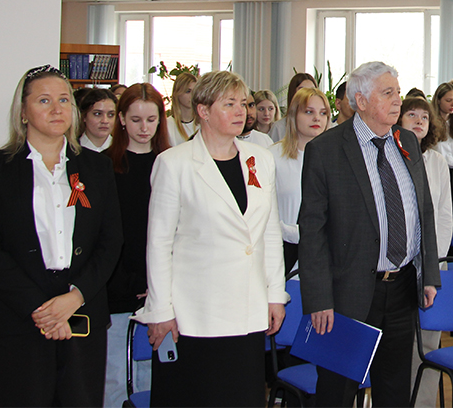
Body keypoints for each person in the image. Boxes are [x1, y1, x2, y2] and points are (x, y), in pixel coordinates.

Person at [133, 70, 288, 407]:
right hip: (194, 314)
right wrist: (160, 310)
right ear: (203, 110)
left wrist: (275, 294)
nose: (241, 112)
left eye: (243, 104)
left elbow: (270, 232)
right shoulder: (173, 163)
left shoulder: (260, 159)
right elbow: (158, 244)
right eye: (229, 104)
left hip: (247, 309)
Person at [299, 61, 441, 408]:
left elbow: (423, 211)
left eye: (398, 92)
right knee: (338, 392)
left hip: (402, 288)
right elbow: (313, 232)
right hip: (348, 293)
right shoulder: (326, 150)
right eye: (387, 93)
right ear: (360, 101)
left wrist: (429, 274)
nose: (398, 100)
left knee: (394, 391)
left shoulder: (407, 141)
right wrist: (319, 299)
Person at [0, 65, 123, 406]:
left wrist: (74, 298)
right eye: (44, 100)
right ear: (23, 112)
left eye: (64, 100)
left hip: (81, 312)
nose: (57, 109)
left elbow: (110, 242)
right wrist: (42, 309)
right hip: (18, 316)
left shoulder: (97, 167)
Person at [101, 83, 171, 407]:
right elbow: (104, 235)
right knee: (115, 378)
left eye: (151, 120)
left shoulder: (171, 164)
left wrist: (155, 282)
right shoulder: (103, 167)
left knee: (153, 378)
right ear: (121, 120)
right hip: (116, 289)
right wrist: (131, 282)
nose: (144, 128)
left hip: (160, 290)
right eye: (136, 120)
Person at [399, 96, 453, 408]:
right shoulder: (388, 154)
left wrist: (435, 261)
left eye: (424, 116)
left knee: (429, 343)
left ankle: (421, 403)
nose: (419, 121)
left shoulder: (437, 160)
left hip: (432, 263)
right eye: (411, 115)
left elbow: (444, 214)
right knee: (396, 345)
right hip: (397, 265)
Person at [270, 87, 330, 275]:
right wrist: (291, 232)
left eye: (323, 113)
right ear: (293, 115)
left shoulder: (337, 160)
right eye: (309, 112)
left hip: (325, 264)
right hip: (284, 262)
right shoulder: (272, 157)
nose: (317, 118)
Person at [269, 72, 318, 142]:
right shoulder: (279, 127)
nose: (307, 94)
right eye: (302, 90)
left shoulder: (321, 124)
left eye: (312, 90)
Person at [77, 88, 117, 152]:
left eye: (111, 115)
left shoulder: (123, 151)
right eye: (97, 114)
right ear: (84, 116)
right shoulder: (69, 150)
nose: (105, 121)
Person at [167, 72, 198, 146]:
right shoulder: (167, 125)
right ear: (177, 93)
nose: (192, 96)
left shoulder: (202, 123)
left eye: (195, 92)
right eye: (188, 91)